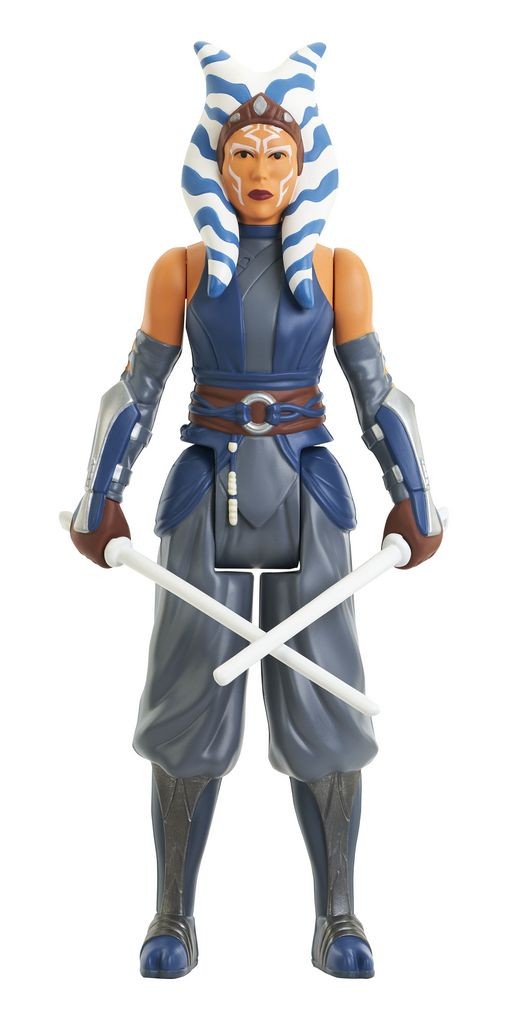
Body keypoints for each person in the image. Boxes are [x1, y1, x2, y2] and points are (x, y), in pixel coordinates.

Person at [70, 42, 442, 980]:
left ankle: (339, 916)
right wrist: (99, 496)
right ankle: (172, 915)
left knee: (327, 701)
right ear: (216, 163)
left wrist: (415, 497)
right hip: (204, 490)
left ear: (304, 166)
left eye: (278, 154)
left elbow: (378, 394)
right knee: (187, 701)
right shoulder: (182, 269)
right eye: (243, 154)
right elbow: (135, 391)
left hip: (310, 493)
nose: (261, 170)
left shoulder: (339, 270)